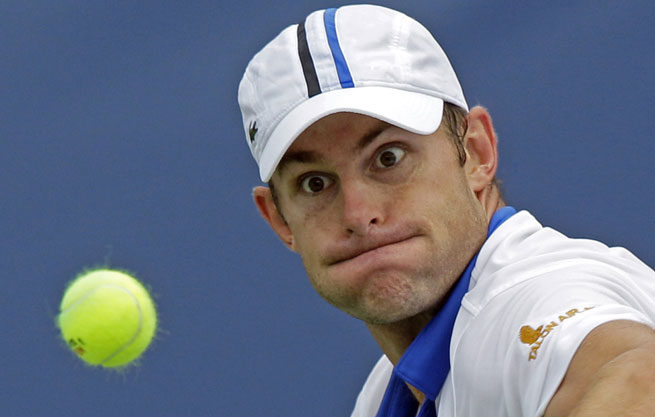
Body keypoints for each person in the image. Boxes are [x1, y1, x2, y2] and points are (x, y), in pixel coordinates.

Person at [237, 4, 655, 416]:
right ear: (279, 220)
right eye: (314, 183)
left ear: (476, 153)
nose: (358, 214)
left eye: (388, 158)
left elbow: (638, 377)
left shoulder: (528, 301)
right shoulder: (384, 394)